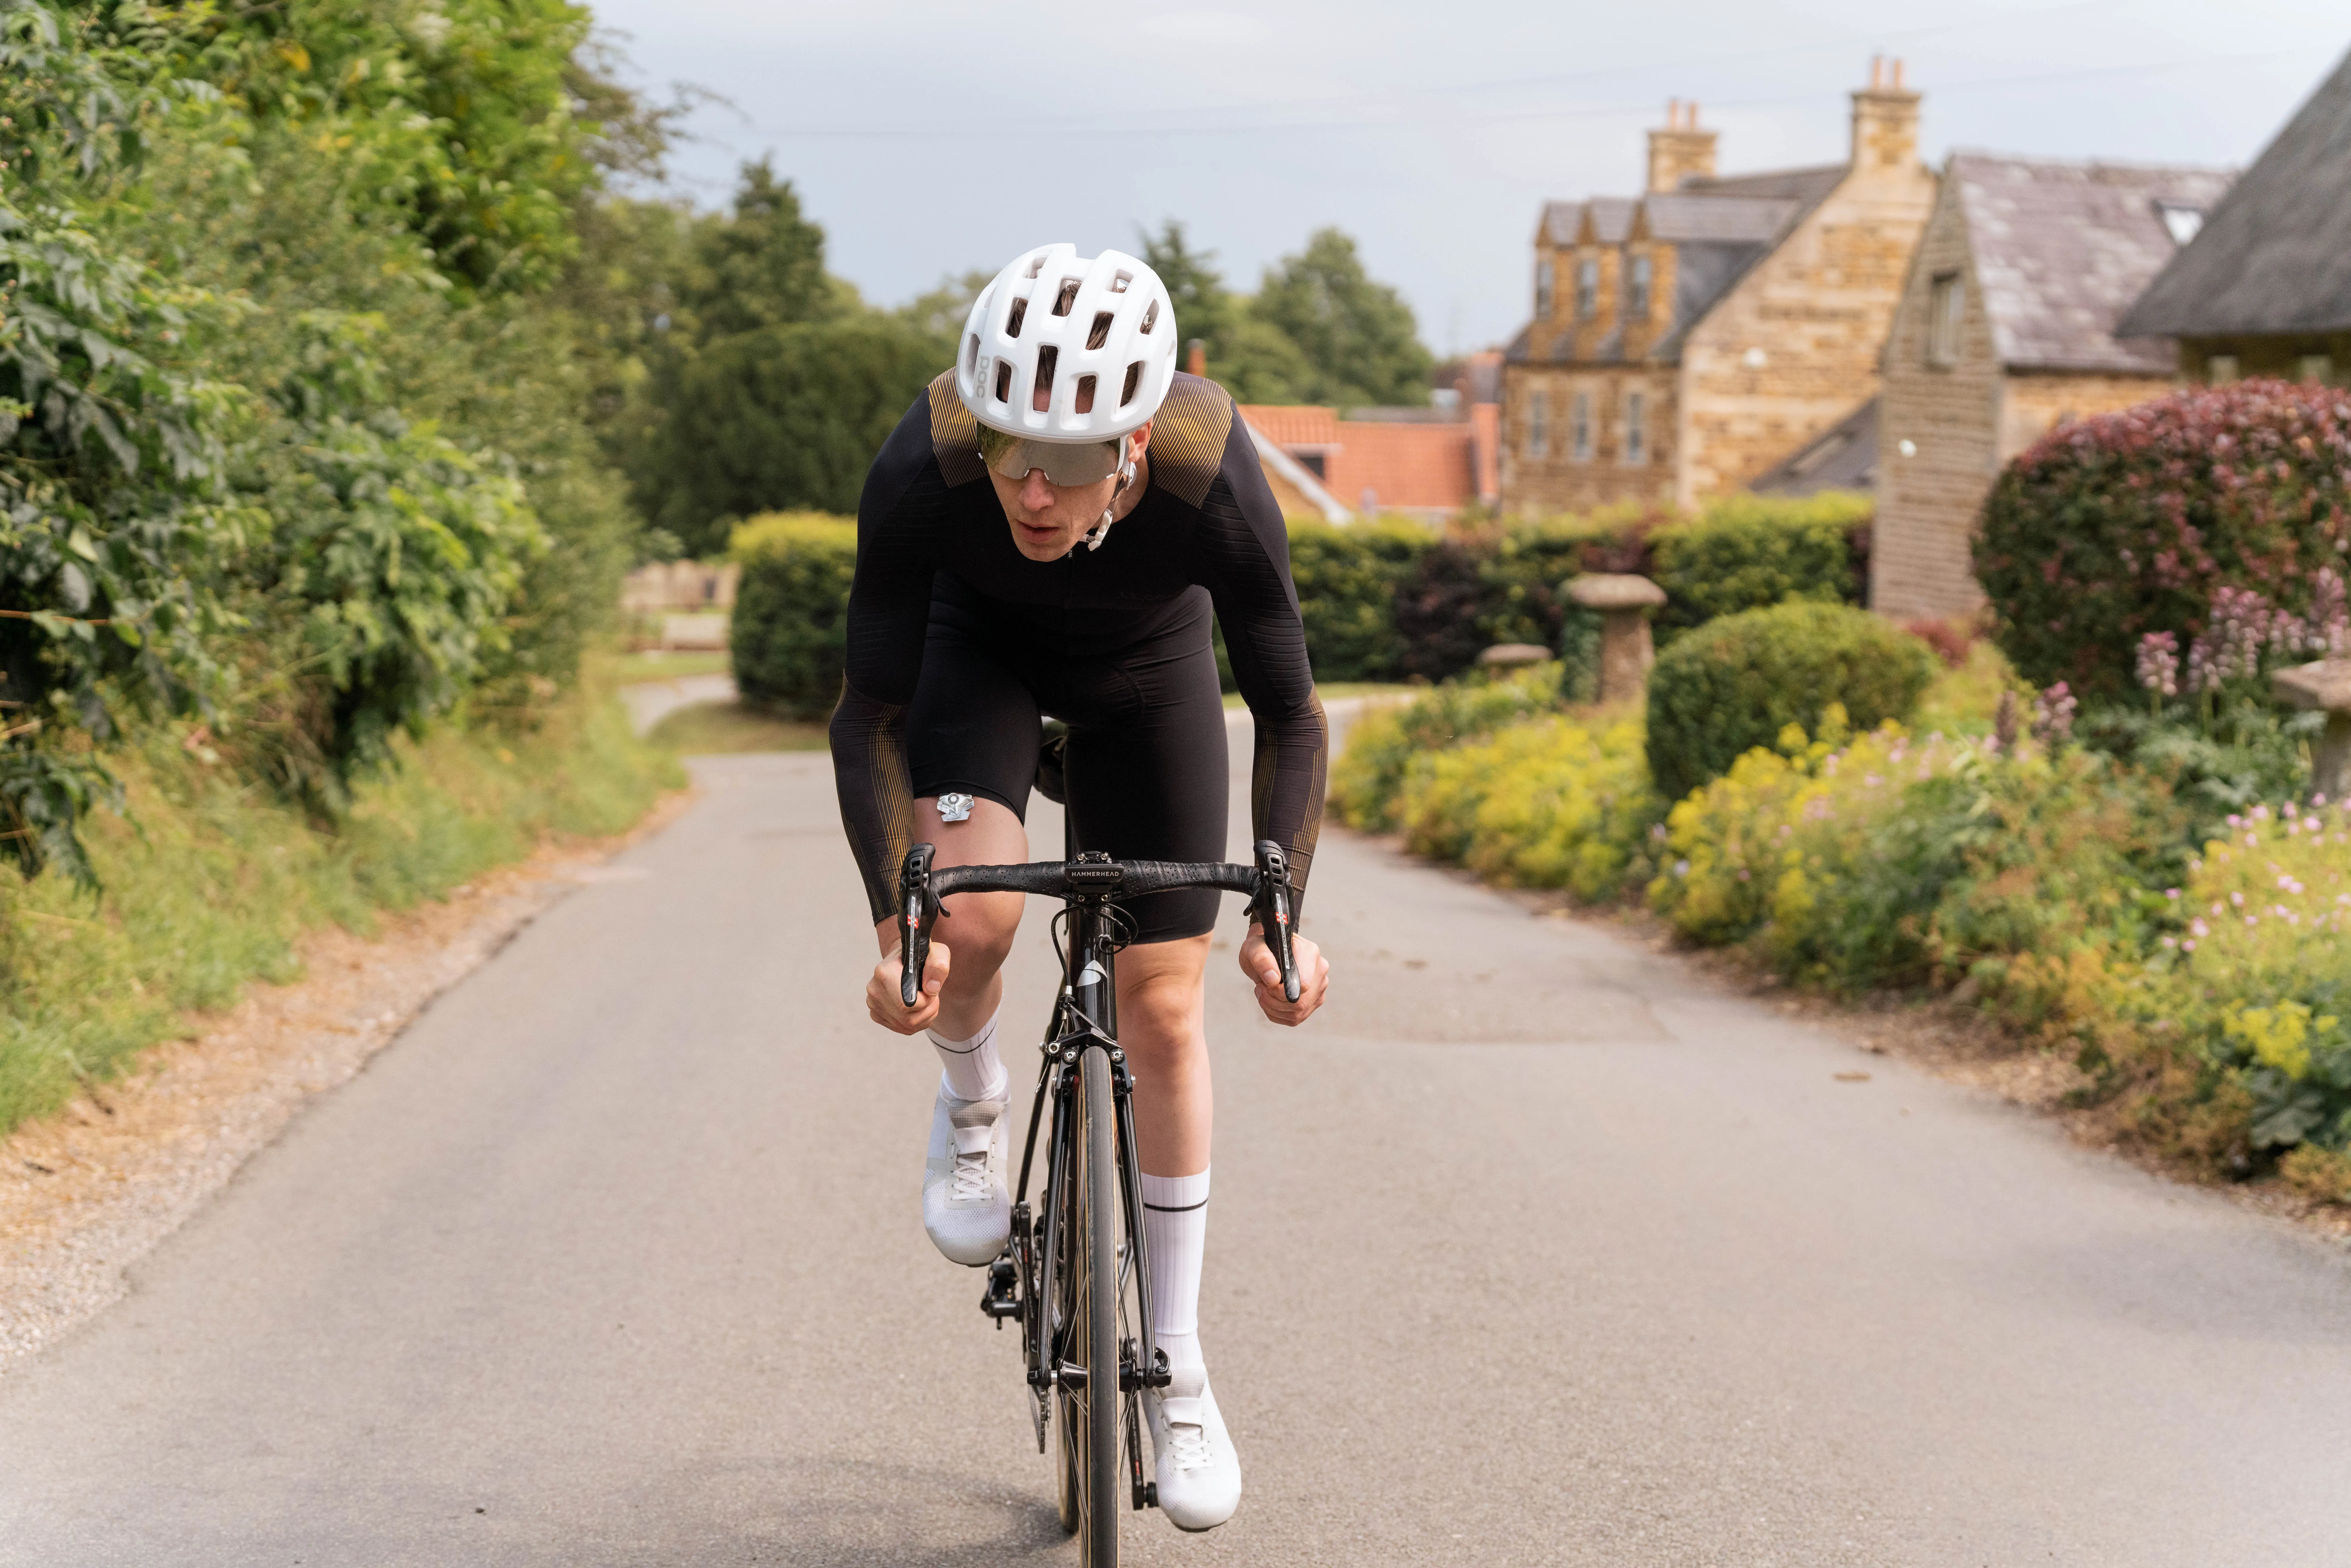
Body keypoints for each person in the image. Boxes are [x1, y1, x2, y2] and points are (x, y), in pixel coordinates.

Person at [829, 243, 1331, 1532]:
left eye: (1064, 462)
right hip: (976, 654)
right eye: (1009, 454)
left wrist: (1282, 915)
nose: (1031, 492)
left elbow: (1288, 710)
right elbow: (866, 714)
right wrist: (901, 921)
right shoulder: (926, 468)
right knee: (977, 916)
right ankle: (976, 1101)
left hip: (1147, 669)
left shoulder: (1211, 472)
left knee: (1165, 1013)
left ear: (1134, 440)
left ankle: (1178, 1367)